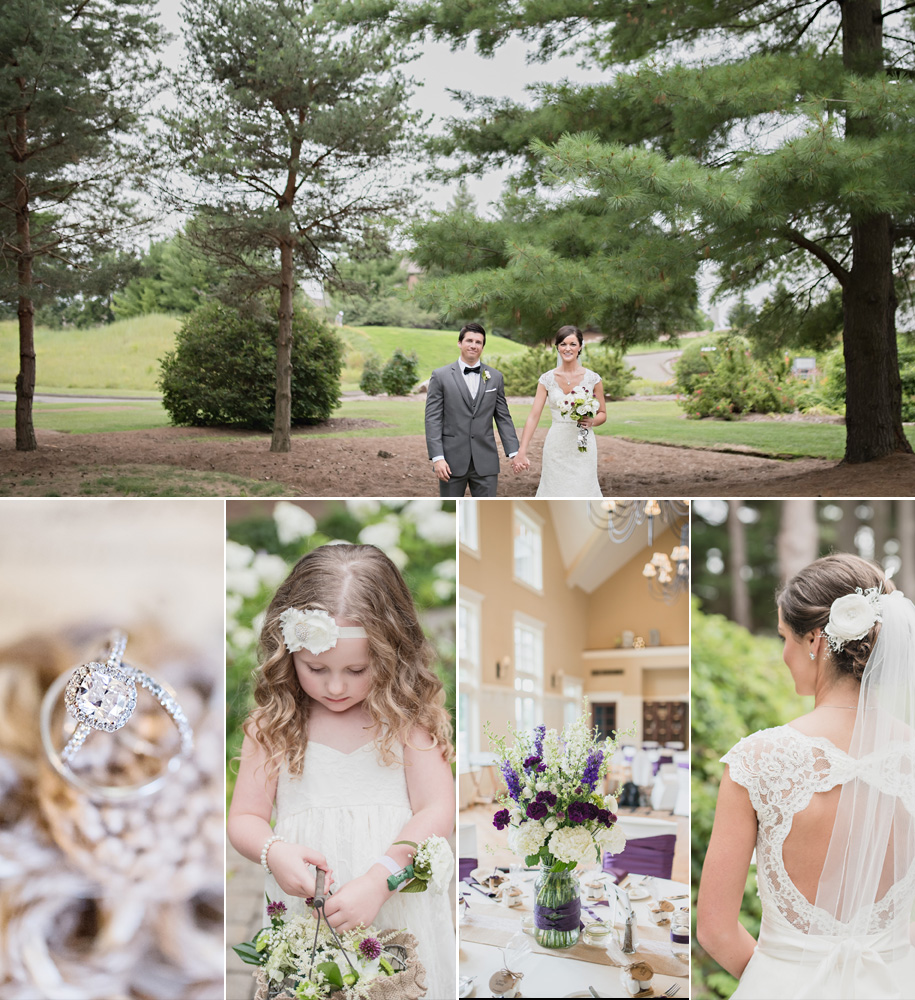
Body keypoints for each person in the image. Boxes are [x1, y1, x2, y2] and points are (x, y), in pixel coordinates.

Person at [228, 544, 455, 999]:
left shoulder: (406, 719)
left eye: (356, 669)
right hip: (312, 919)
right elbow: (244, 819)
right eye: (315, 668)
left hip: (395, 908)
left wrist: (379, 881)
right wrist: (273, 850)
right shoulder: (273, 725)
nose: (335, 686)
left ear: (391, 654)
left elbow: (438, 809)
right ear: (287, 650)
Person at [697, 553, 915, 999]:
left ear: (814, 638)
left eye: (784, 637)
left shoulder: (757, 759)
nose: (782, 653)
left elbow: (715, 930)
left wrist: (778, 977)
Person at [424, 322, 520, 497]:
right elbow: (433, 420)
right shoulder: (440, 376)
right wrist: (438, 458)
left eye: (478, 342)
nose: (473, 345)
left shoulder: (495, 377)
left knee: (488, 512)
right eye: (469, 340)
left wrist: (514, 452)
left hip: (486, 462)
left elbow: (503, 417)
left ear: (482, 347)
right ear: (460, 343)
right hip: (450, 462)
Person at [511, 325, 606, 496]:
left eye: (572, 344)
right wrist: (522, 450)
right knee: (555, 490)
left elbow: (603, 414)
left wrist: (592, 421)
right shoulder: (546, 379)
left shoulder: (593, 379)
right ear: (557, 348)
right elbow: (533, 416)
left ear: (580, 347)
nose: (567, 348)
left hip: (583, 444)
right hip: (556, 446)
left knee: (583, 490)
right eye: (563, 344)